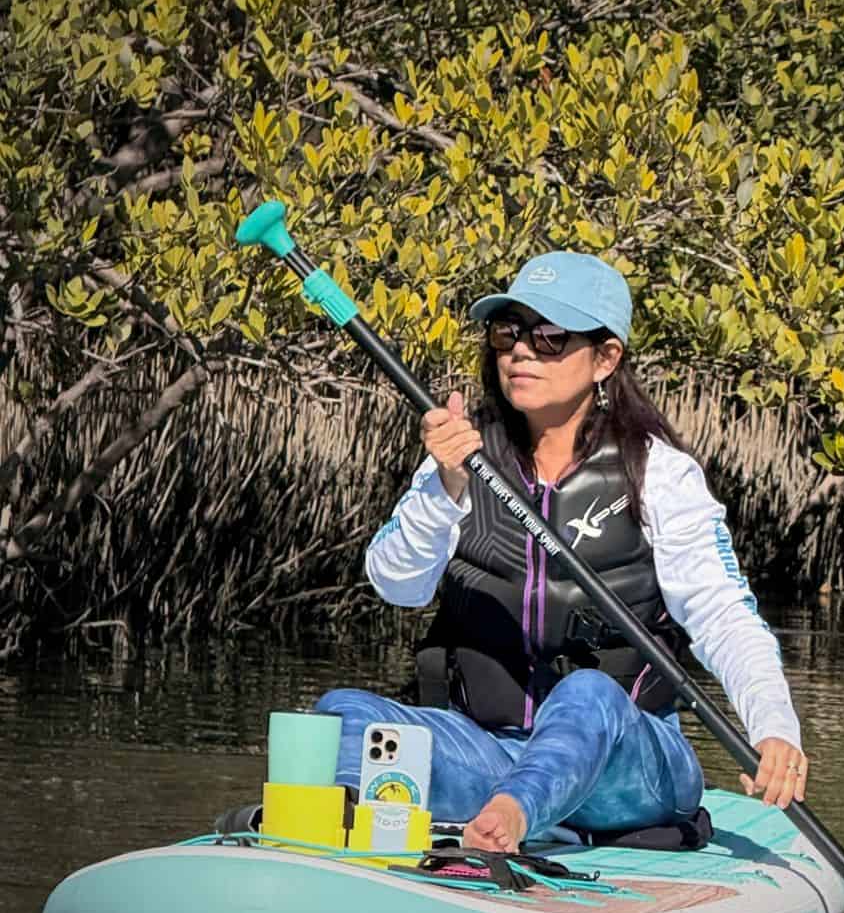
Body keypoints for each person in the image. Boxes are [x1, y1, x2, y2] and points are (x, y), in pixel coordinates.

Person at [315, 250, 808, 853]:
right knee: (340, 714)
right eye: (508, 332)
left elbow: (726, 618)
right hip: (487, 748)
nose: (521, 351)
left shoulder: (660, 474)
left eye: (550, 337)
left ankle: (516, 817)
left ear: (605, 359)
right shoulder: (459, 456)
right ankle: (379, 831)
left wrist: (775, 731)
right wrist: (444, 489)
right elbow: (397, 585)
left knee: (588, 695)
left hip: (622, 765)